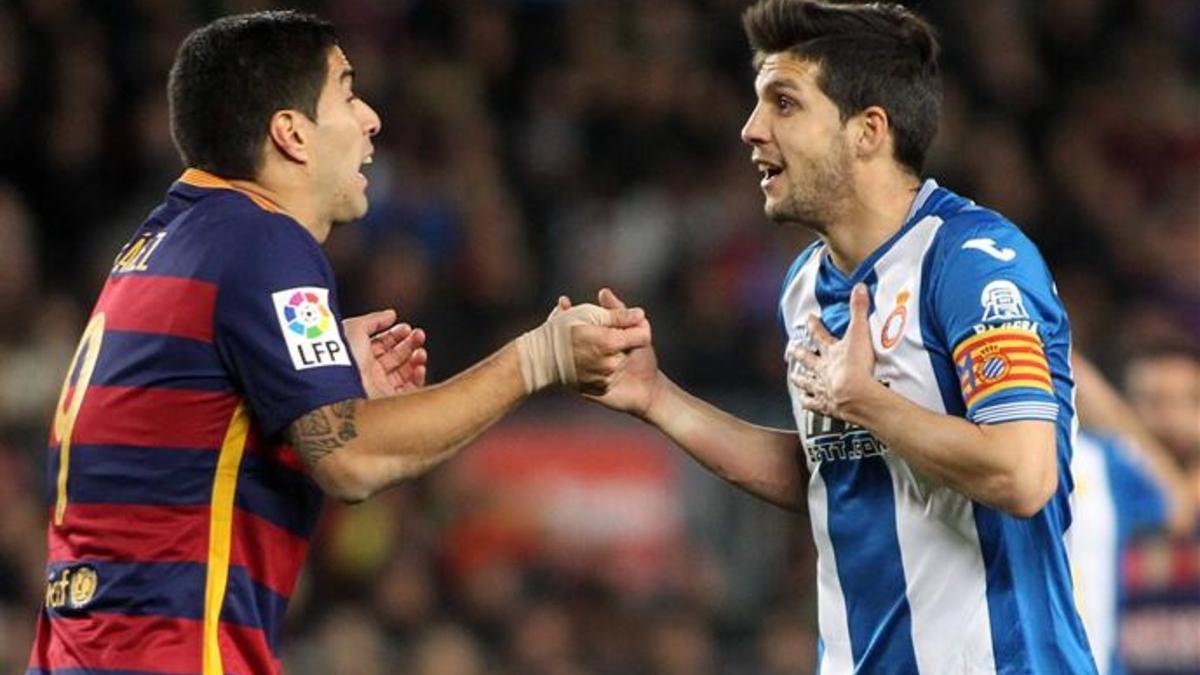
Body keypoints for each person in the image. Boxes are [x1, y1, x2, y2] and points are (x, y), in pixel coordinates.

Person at [27, 11, 648, 675]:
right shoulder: (264, 239)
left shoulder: (161, 243)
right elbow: (349, 456)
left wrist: (315, 376)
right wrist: (538, 358)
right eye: (348, 93)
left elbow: (196, 425)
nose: (372, 117)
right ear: (291, 133)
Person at [579, 0, 1096, 671]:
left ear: (868, 131)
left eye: (784, 103)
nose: (751, 129)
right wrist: (656, 397)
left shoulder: (972, 261)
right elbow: (836, 473)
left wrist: (868, 401)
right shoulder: (804, 287)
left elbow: (1024, 473)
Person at [1067, 355, 1193, 675]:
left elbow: (1177, 506)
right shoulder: (1101, 460)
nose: (1171, 417)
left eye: (1190, 401)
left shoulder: (1109, 460)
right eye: (1154, 401)